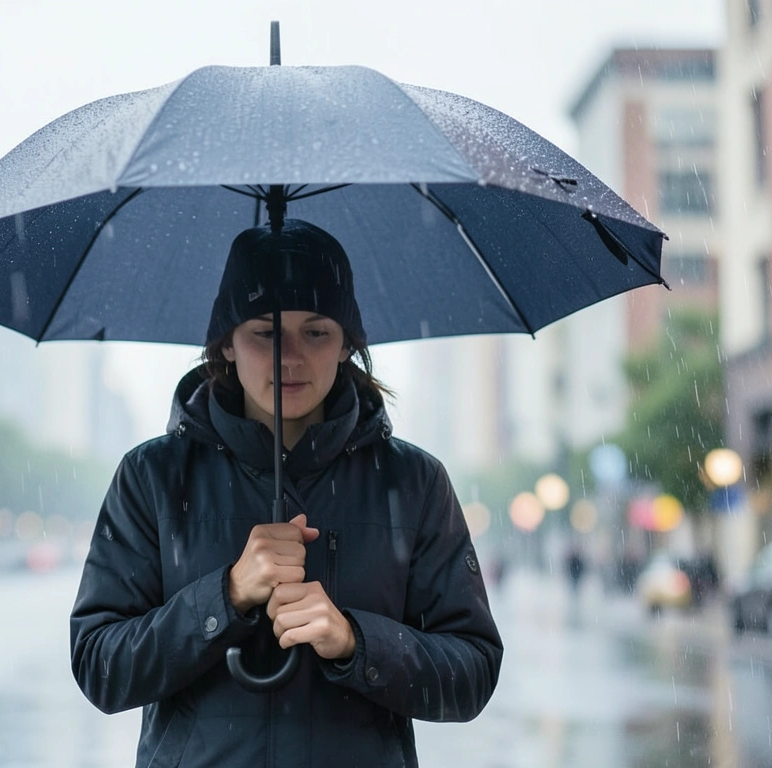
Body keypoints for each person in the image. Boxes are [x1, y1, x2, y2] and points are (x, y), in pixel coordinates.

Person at [71, 219, 503, 767]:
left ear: (348, 343)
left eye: (317, 332)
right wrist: (224, 597)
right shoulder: (151, 477)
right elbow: (99, 666)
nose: (290, 357)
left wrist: (355, 643)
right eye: (265, 333)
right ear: (226, 342)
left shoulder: (415, 482)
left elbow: (472, 672)